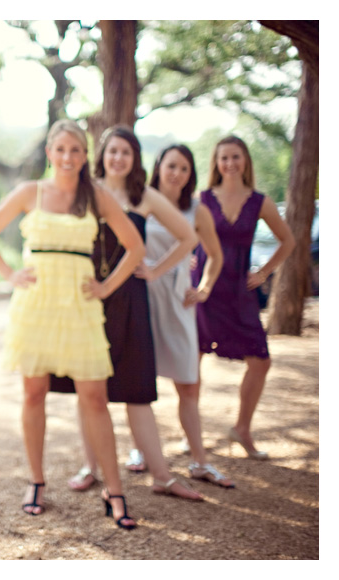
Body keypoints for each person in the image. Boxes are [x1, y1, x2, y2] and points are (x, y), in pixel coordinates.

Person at [0, 119, 144, 528]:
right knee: (34, 394)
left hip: (80, 306)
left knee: (95, 397)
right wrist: (10, 274)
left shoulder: (97, 195)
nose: (68, 157)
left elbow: (135, 247)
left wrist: (106, 287)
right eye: (61, 149)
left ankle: (114, 489)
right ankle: (36, 480)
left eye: (76, 150)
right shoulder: (29, 192)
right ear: (49, 152)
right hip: (36, 305)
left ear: (86, 157)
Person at [50, 125, 203, 502]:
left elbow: (189, 237)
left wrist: (154, 268)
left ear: (134, 160)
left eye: (126, 153)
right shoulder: (84, 193)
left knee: (137, 392)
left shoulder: (144, 196)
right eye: (112, 151)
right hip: (87, 299)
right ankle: (92, 467)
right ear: (100, 155)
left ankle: (163, 476)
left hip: (132, 301)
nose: (118, 158)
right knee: (88, 392)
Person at [192, 135, 294, 460]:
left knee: (261, 361)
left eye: (236, 157)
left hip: (239, 292)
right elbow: (178, 232)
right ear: (216, 163)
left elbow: (288, 240)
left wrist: (264, 272)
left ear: (245, 161)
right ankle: (191, 432)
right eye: (224, 158)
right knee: (192, 359)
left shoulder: (259, 201)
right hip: (205, 289)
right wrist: (184, 259)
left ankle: (242, 428)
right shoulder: (202, 198)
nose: (230, 163)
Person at [145, 144, 233, 488]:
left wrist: (205, 288)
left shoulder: (197, 210)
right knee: (141, 383)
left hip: (179, 303)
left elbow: (215, 255)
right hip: (143, 300)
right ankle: (143, 451)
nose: (176, 173)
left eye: (183, 168)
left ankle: (199, 461)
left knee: (188, 383)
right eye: (171, 166)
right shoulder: (141, 201)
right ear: (159, 167)